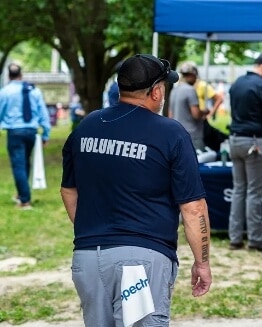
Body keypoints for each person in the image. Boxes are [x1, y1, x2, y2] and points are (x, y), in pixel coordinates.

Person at [60, 54, 212, 326]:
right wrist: (202, 263)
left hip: (88, 258)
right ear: (156, 91)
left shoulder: (87, 126)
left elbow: (68, 191)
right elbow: (193, 207)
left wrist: (92, 230)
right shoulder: (171, 133)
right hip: (142, 260)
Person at [227, 53, 262, 251]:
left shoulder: (237, 83)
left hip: (235, 140)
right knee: (255, 193)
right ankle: (256, 239)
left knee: (239, 189)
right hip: (255, 142)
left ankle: (235, 237)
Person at [0, 63, 51, 209]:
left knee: (18, 165)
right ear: (21, 75)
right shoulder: (33, 90)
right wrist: (46, 133)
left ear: (9, 75)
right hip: (31, 132)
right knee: (25, 162)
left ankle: (25, 200)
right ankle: (21, 193)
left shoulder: (5, 92)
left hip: (14, 132)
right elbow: (43, 113)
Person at [169, 63, 213, 151]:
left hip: (176, 134)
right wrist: (205, 111)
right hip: (192, 135)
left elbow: (170, 115)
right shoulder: (190, 90)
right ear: (192, 74)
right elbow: (196, 114)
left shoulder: (174, 90)